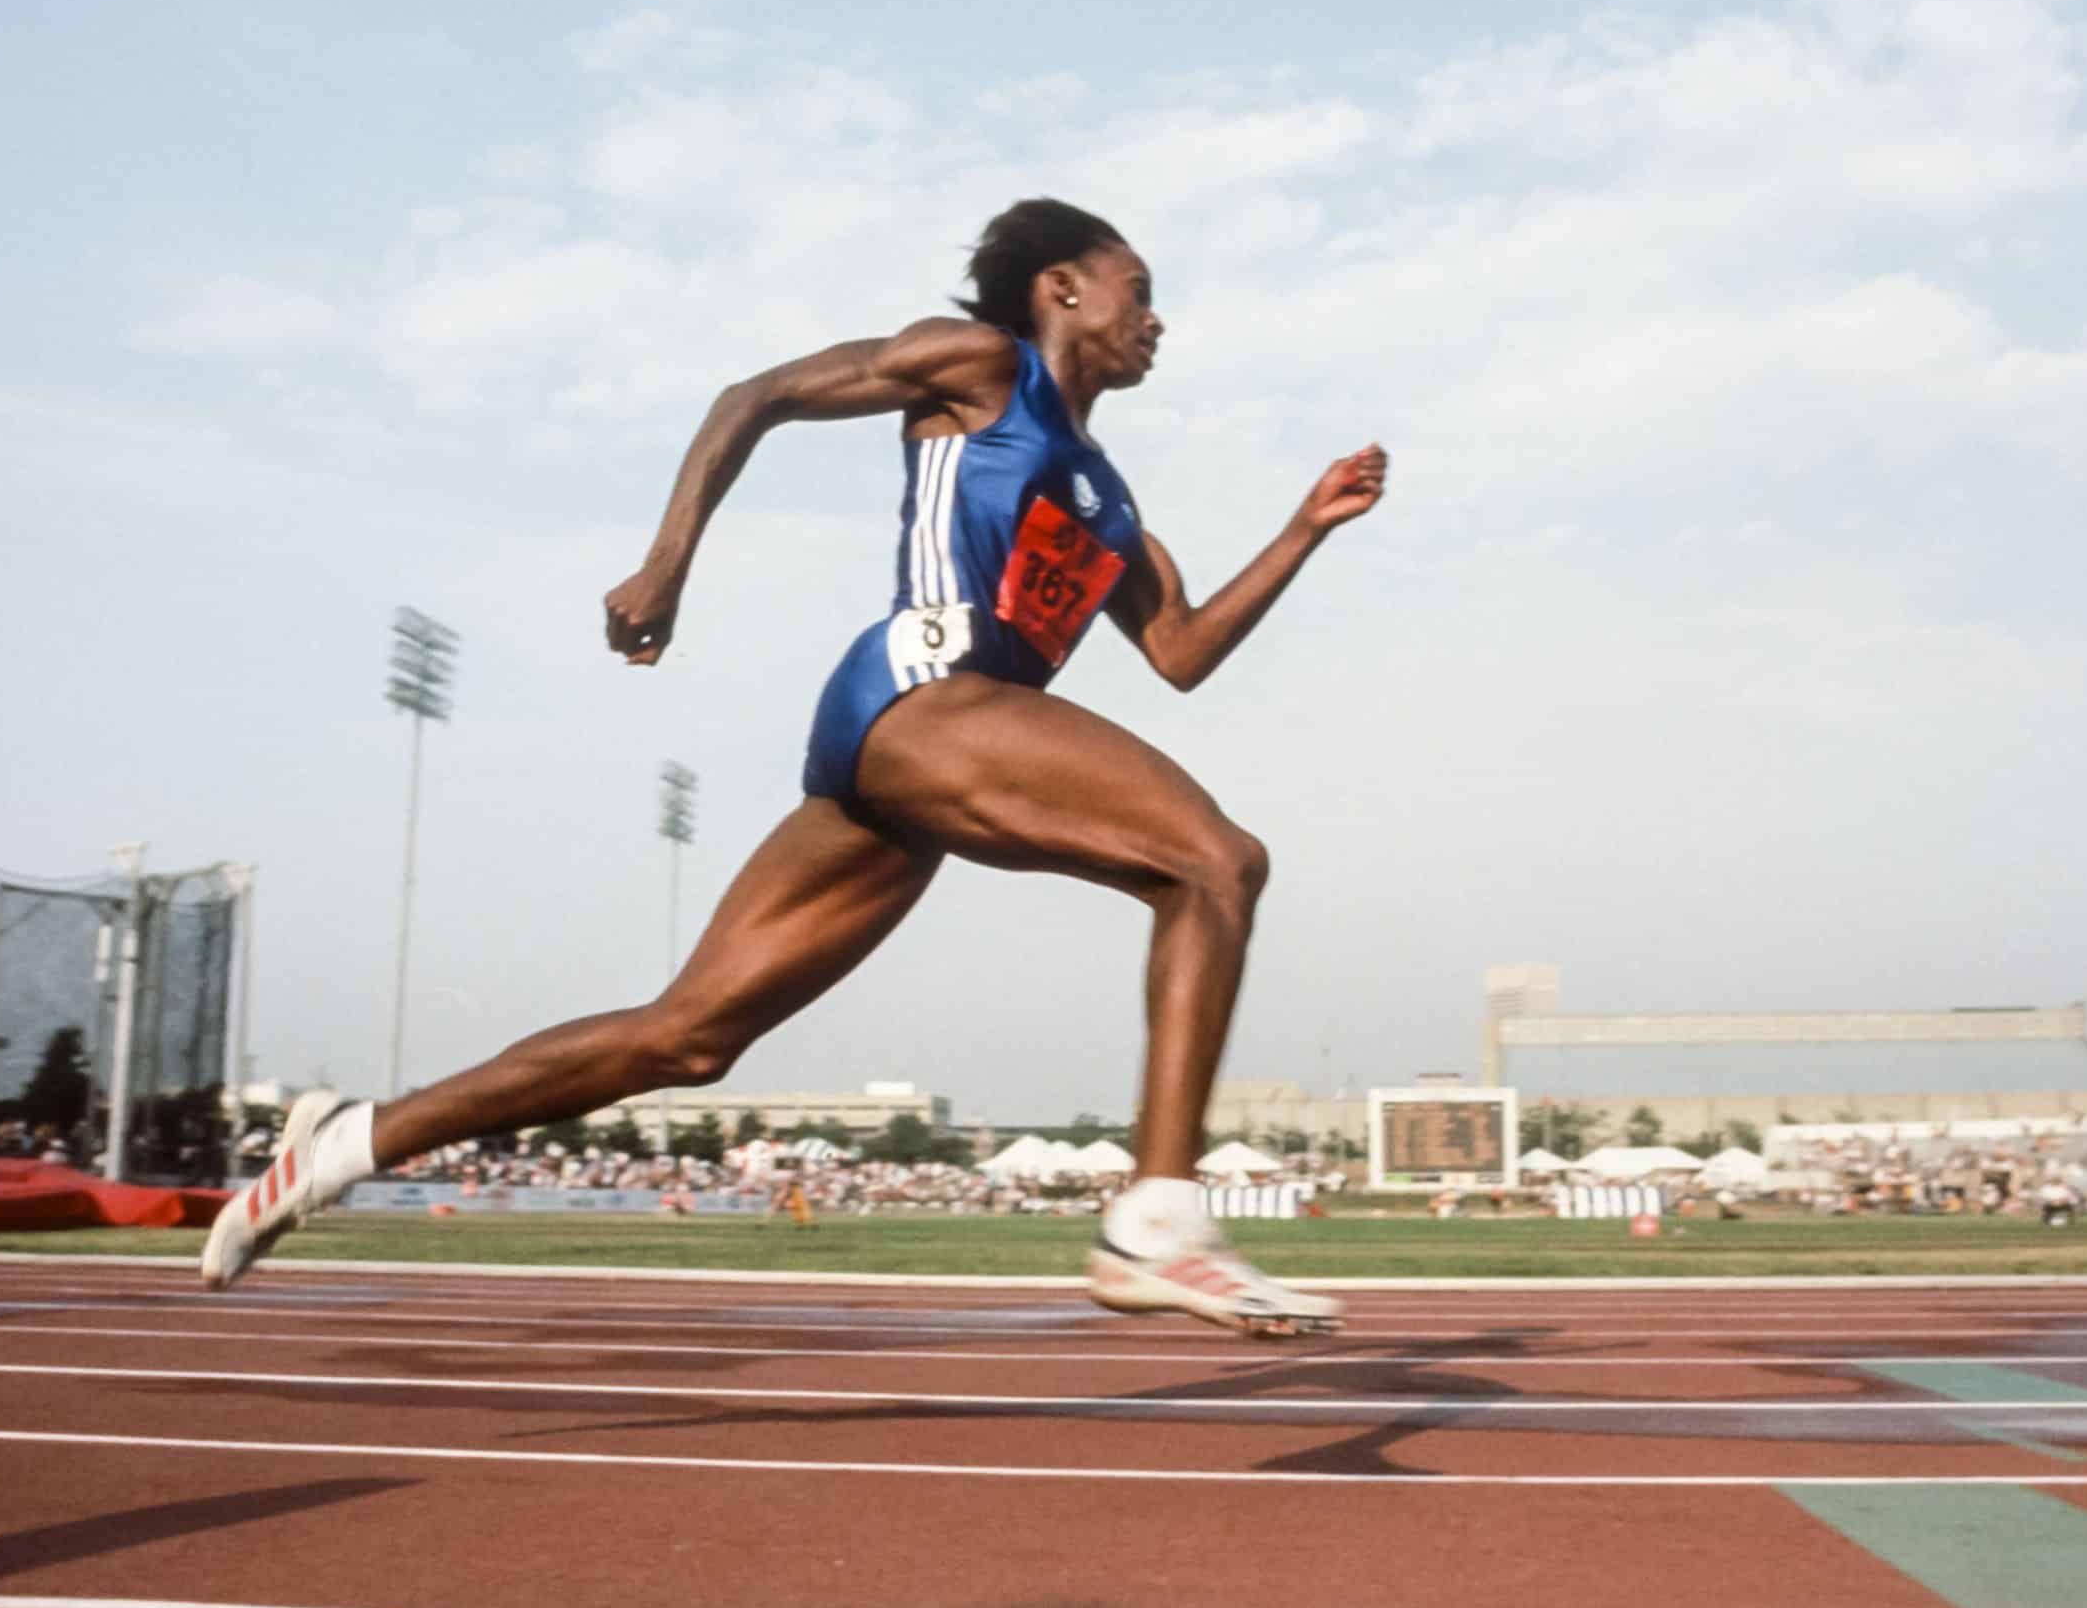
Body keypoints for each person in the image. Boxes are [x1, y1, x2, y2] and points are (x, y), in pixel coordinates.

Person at [204, 199, 1387, 1335]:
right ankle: (1156, 1218)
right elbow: (754, 396)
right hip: (926, 700)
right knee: (1213, 863)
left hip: (933, 760)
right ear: (1062, 287)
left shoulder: (1110, 500)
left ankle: (348, 1144)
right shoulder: (980, 365)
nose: (1158, 320)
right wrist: (667, 562)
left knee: (687, 1037)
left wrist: (1302, 529)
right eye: (1142, 291)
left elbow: (1179, 651)